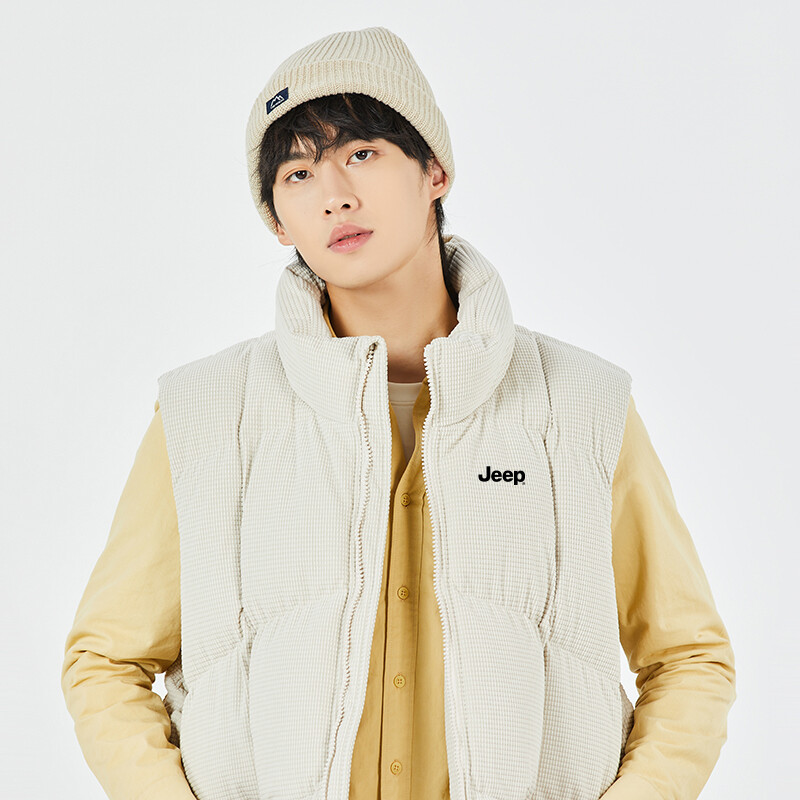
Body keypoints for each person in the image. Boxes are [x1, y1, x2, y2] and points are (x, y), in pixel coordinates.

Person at [61, 25, 736, 800]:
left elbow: (688, 658)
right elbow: (106, 661)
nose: (335, 194)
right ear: (278, 221)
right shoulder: (207, 413)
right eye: (298, 172)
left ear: (434, 171)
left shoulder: (582, 405)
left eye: (362, 153)